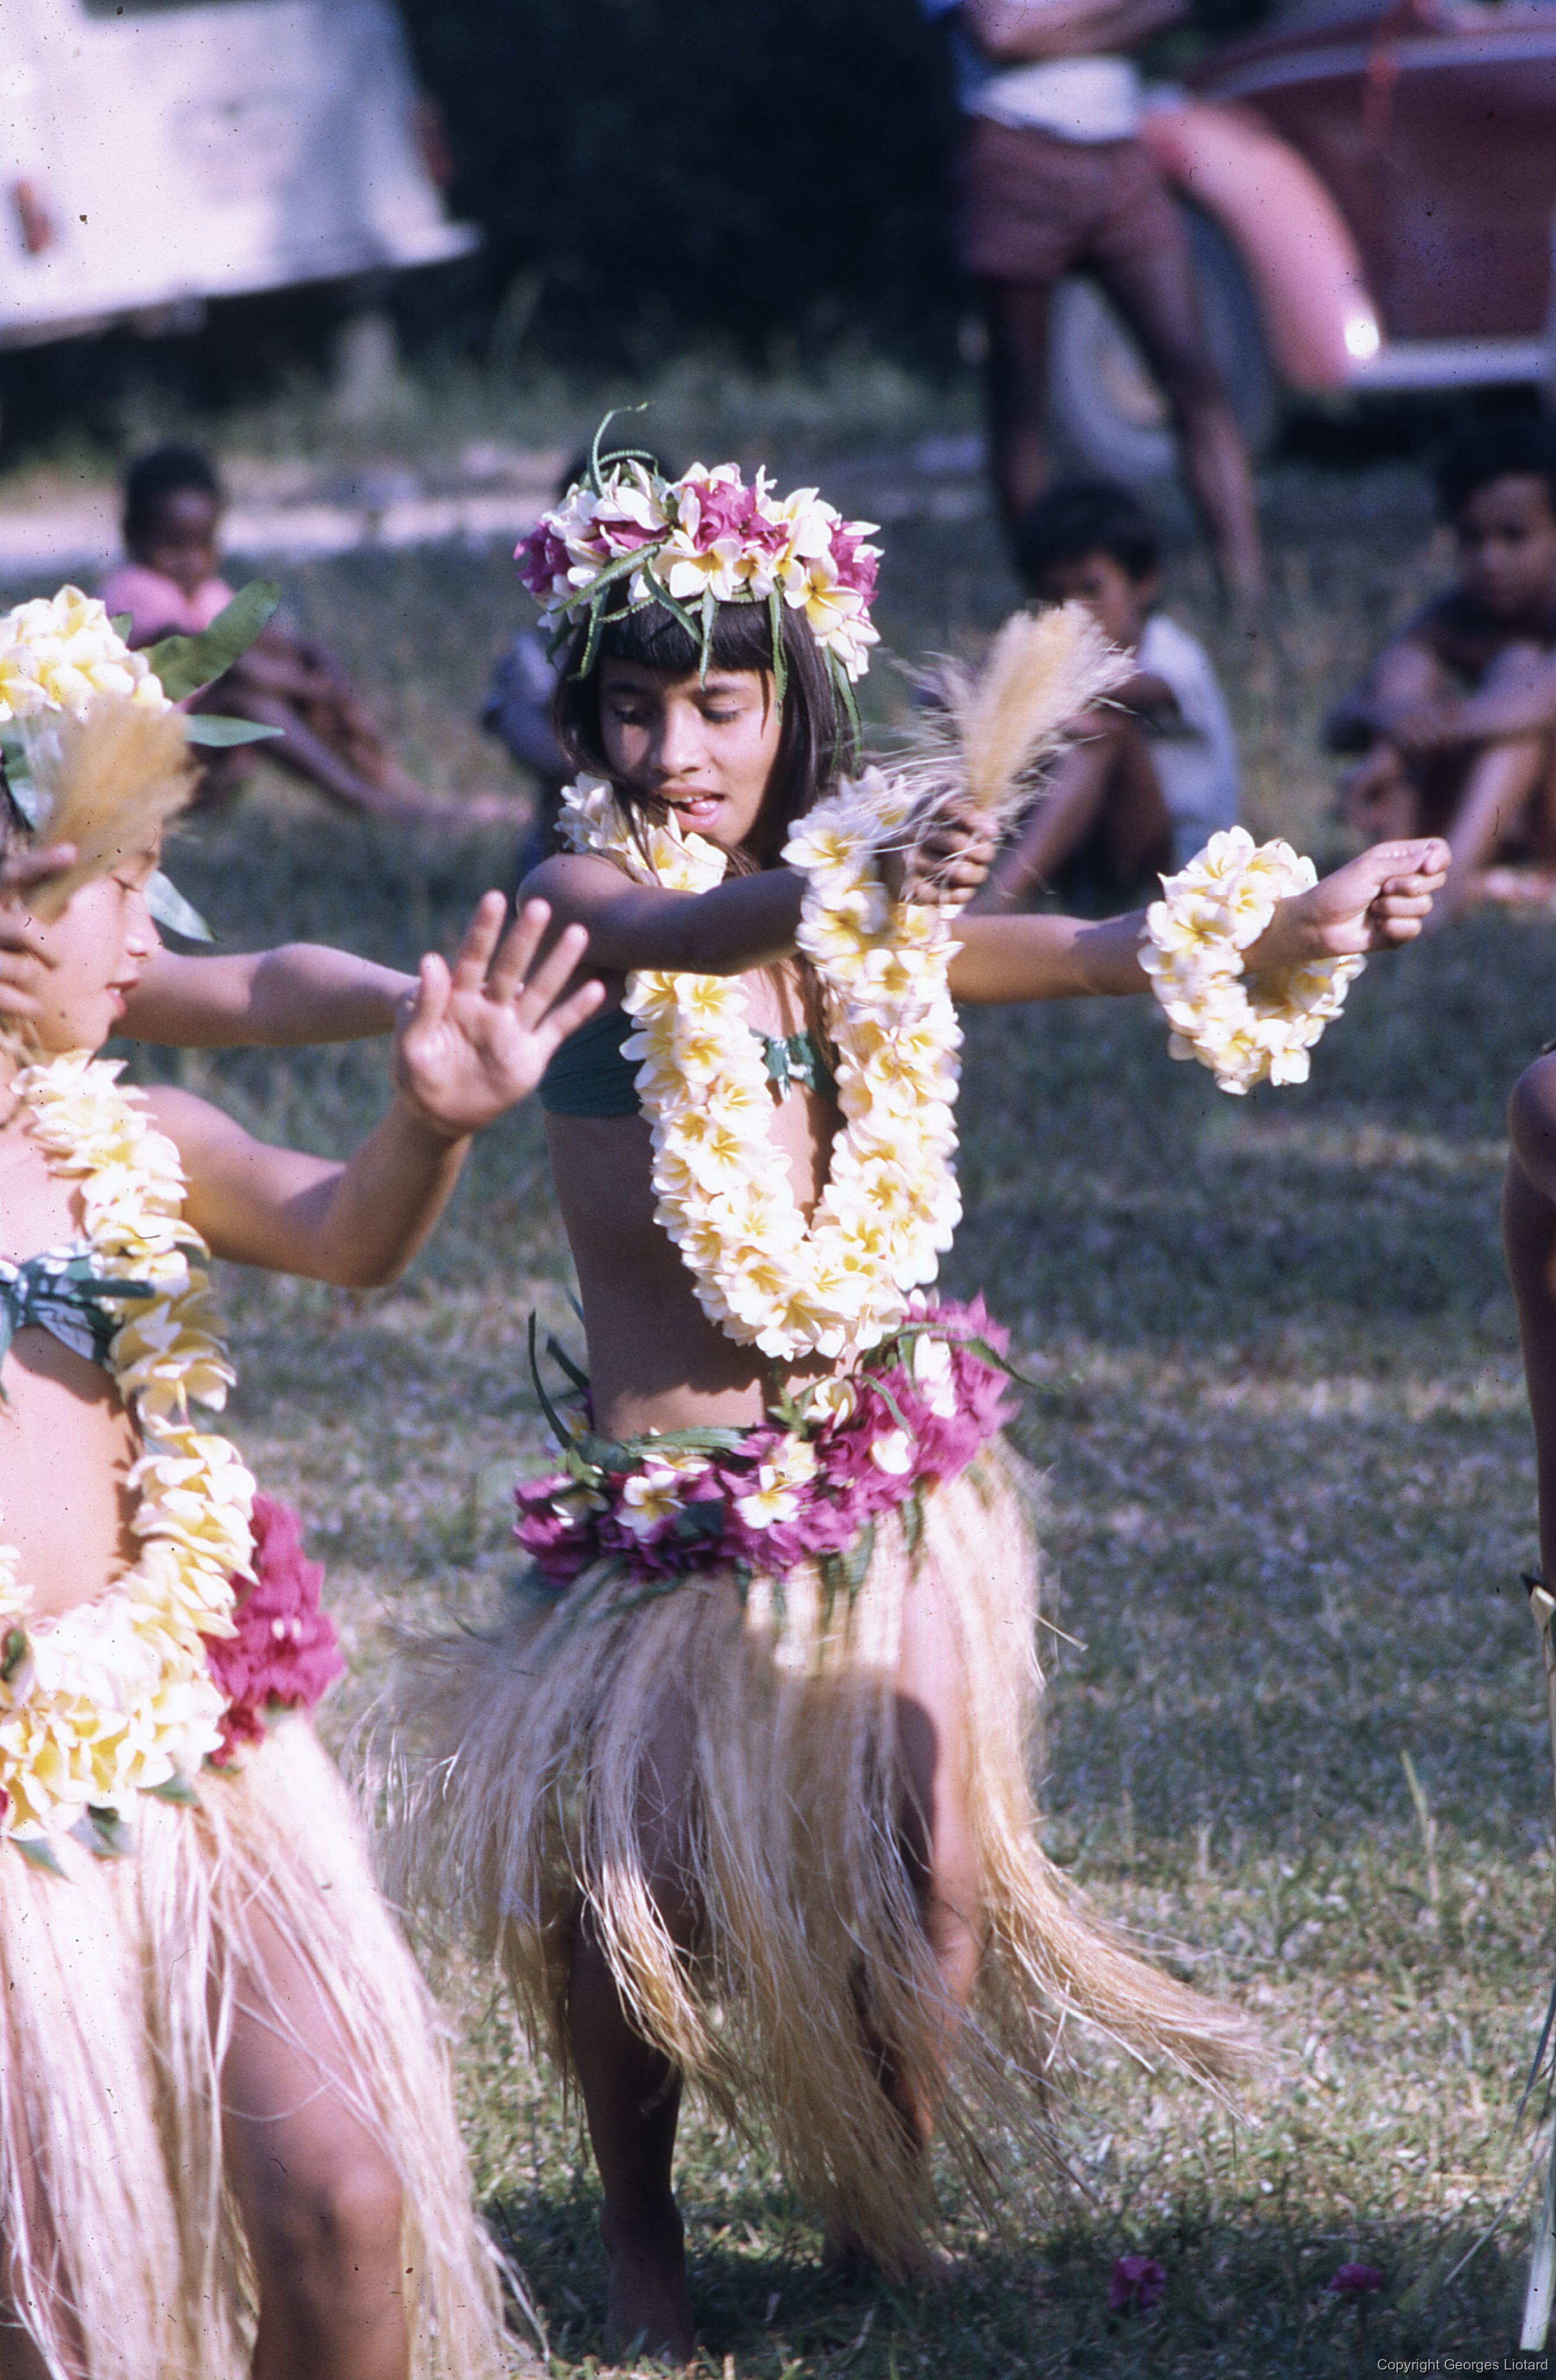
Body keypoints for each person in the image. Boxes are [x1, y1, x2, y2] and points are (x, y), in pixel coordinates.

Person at [378, 443, 1447, 2364]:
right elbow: (692, 933)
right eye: (634, 706)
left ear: (792, 698)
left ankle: (885, 2195)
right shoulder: (581, 899)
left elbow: (1097, 950)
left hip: (877, 1474)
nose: (673, 746)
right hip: (674, 1501)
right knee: (630, 1889)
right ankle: (639, 2234)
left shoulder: (863, 918)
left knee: (928, 1861)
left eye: (719, 702)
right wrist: (831, 882)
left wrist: (1302, 922)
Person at [0, 603, 605, 2376]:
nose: (149, 936)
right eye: (116, 884)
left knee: (345, 2201)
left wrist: (428, 1124)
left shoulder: (131, 1141)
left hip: (187, 1748)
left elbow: (348, 1235)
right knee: (54, 2295)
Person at [922, 0, 1265, 607]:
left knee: (1195, 377)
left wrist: (1060, 29)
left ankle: (1246, 597)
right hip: (1016, 153)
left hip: (1117, 154)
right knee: (1020, 399)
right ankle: (1050, 607)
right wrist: (1122, 23)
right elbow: (1001, 34)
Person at [101, 444, 512, 826]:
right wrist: (307, 686)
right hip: (150, 778)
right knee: (242, 701)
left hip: (206, 773)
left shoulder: (205, 592)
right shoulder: (133, 589)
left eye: (203, 544)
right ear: (132, 536)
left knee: (293, 684)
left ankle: (407, 796)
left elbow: (268, 643)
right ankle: (372, 805)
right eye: (174, 546)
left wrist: (315, 661)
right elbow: (216, 658)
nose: (192, 561)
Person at [1326, 413, 1556, 926]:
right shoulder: (1458, 613)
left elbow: (1540, 698)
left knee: (1517, 667)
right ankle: (1394, 874)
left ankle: (1445, 895)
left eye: (1514, 536)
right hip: (1512, 822)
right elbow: (1338, 723)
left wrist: (1394, 746)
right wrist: (1388, 719)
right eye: (1472, 539)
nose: (1490, 560)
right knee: (1408, 665)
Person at [975, 475, 1239, 911]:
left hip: (1182, 866)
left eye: (1091, 590)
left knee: (1100, 733)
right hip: (1097, 856)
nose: (1074, 613)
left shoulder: (1171, 653)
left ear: (1144, 582)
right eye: (1055, 597)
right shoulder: (1057, 663)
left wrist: (1019, 680)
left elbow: (1144, 690)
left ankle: (995, 906)